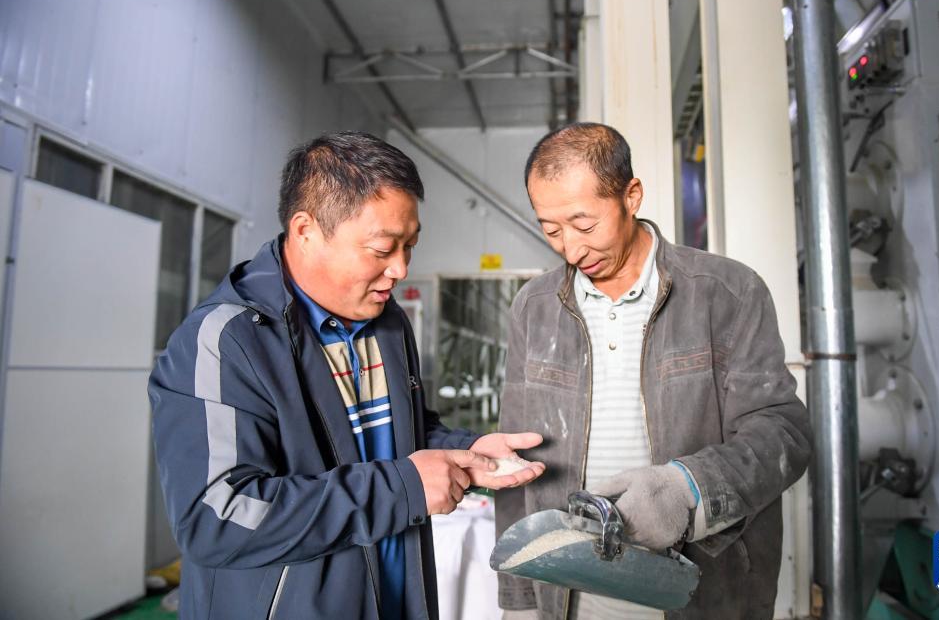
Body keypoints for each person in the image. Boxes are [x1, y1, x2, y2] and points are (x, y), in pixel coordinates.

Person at [149, 132, 544, 620]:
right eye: (382, 249)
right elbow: (218, 519)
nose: (400, 269)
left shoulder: (387, 322)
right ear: (306, 231)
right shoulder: (227, 341)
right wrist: (401, 489)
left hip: (397, 598)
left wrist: (469, 449)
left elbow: (394, 435)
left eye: (410, 246)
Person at [495, 123, 812, 620]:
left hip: (703, 596)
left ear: (632, 196)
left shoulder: (726, 292)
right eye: (551, 230)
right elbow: (514, 458)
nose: (571, 250)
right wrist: (518, 600)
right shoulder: (533, 307)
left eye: (584, 225)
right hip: (572, 599)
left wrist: (687, 487)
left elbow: (783, 434)